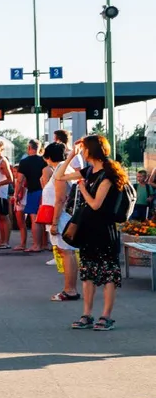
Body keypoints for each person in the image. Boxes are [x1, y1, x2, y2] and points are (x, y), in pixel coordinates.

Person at [70, 134, 127, 331]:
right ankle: (86, 315)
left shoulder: (108, 175)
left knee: (108, 274)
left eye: (84, 148)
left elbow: (95, 204)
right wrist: (71, 155)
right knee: (88, 274)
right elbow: (59, 176)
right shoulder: (89, 171)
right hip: (89, 230)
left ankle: (106, 316)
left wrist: (83, 189)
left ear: (92, 150)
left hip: (104, 230)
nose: (83, 152)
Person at [41, 142, 79, 301]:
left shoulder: (60, 170)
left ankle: (70, 290)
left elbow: (60, 199)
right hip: (64, 217)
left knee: (66, 252)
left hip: (62, 218)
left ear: (48, 157)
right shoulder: (66, 168)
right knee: (67, 252)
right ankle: (70, 289)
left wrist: (55, 223)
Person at [16, 140, 47, 252]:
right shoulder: (44, 160)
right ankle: (44, 244)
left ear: (29, 147)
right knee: (43, 219)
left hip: (33, 191)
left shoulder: (24, 162)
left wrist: (16, 194)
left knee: (35, 218)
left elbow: (20, 180)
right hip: (44, 191)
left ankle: (36, 245)